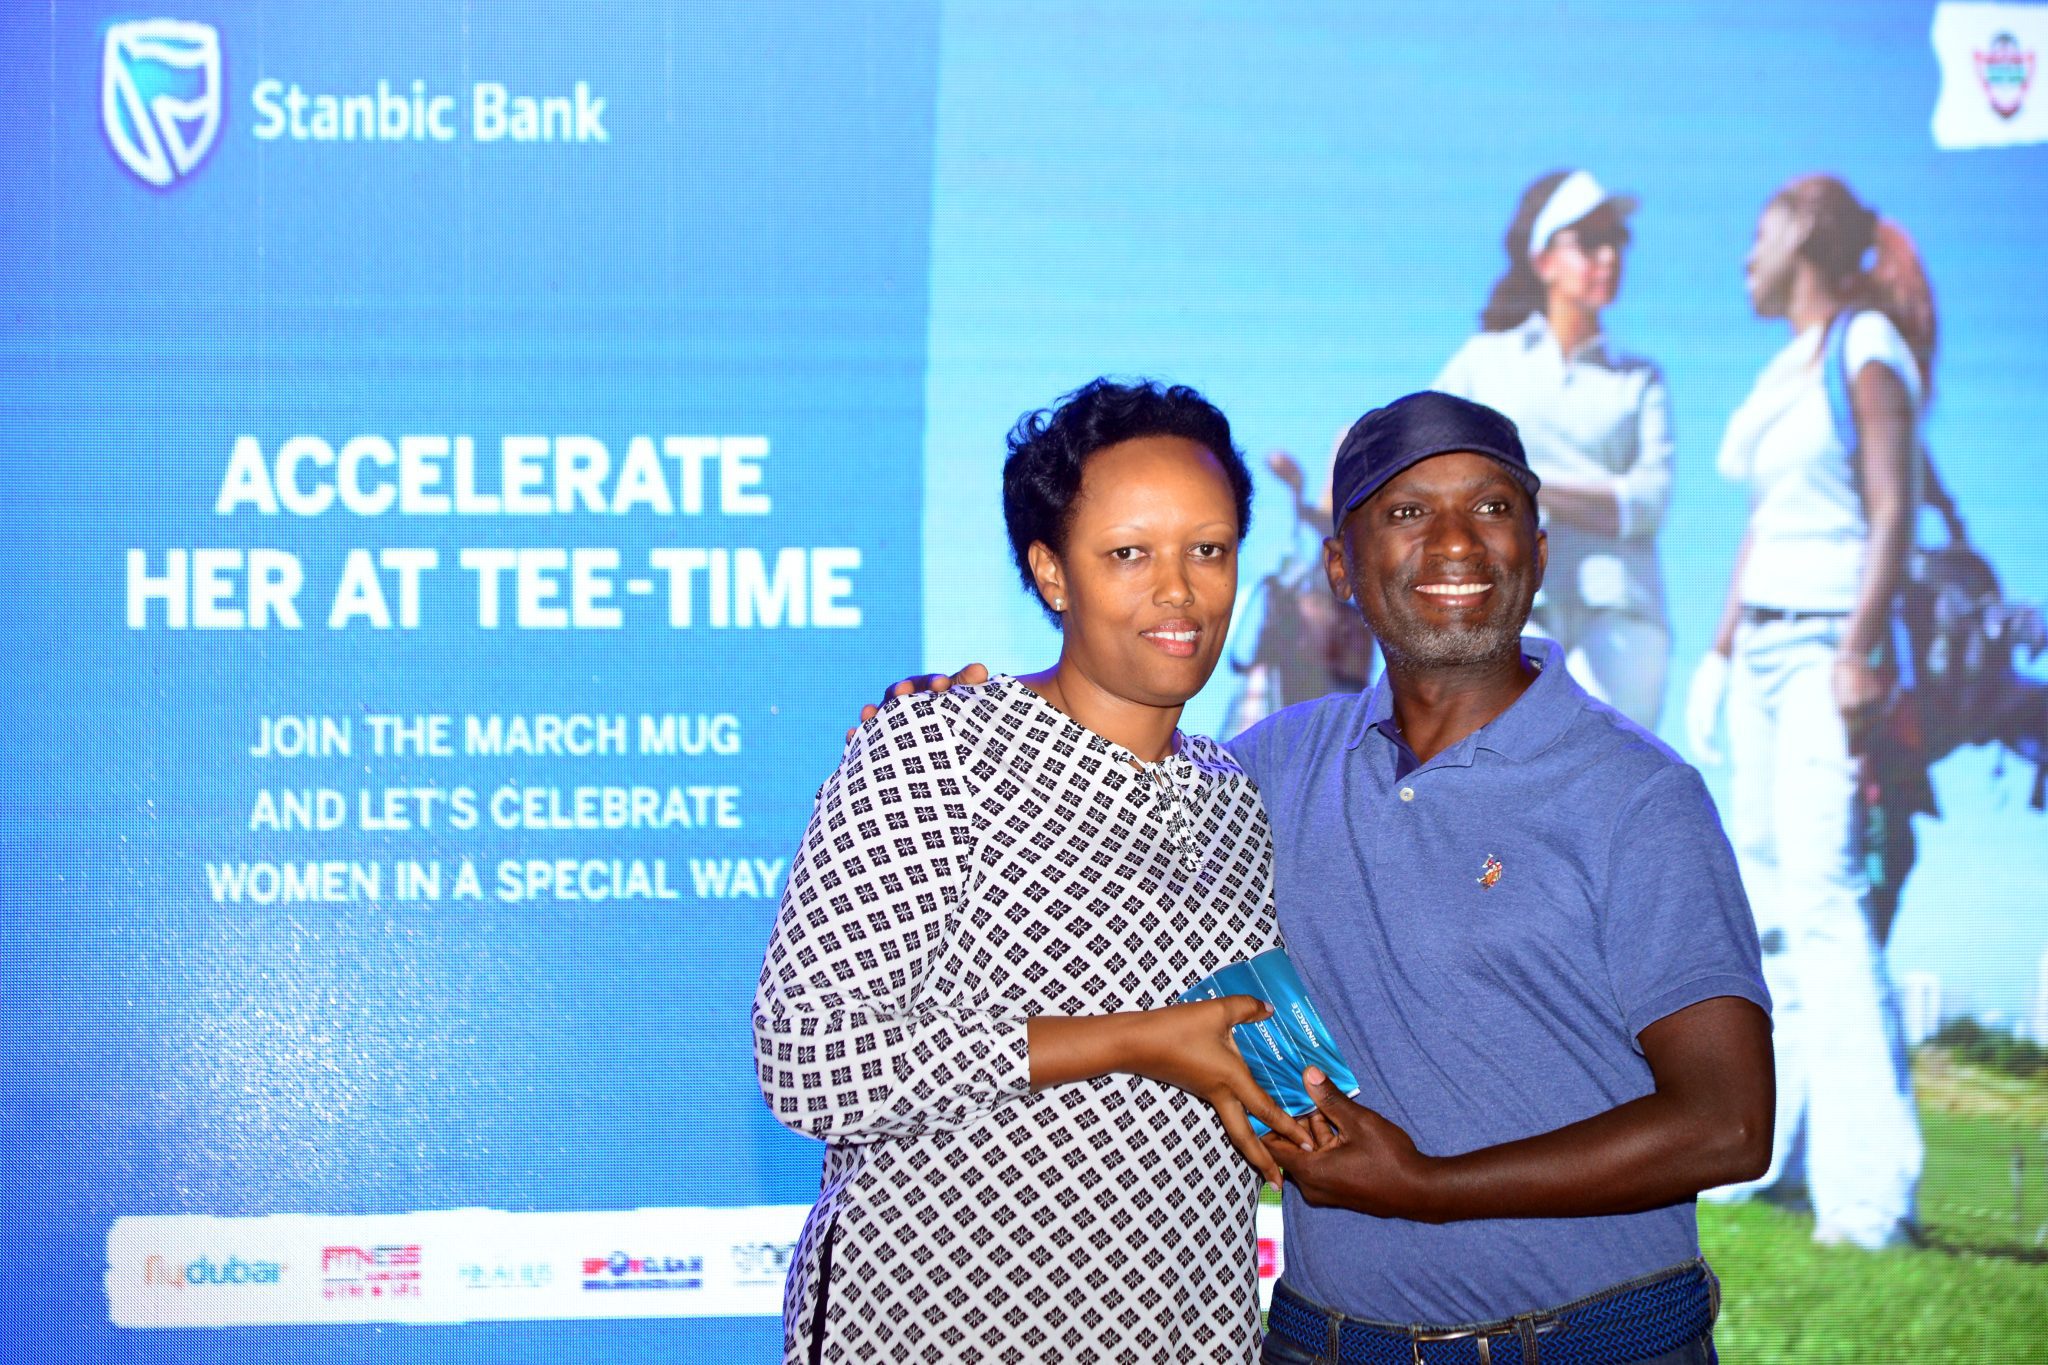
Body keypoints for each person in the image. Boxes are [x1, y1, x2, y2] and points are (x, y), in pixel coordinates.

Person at [875, 390, 1774, 1364]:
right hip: (1319, 1343)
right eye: (1407, 511)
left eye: (1491, 507)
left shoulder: (1636, 795)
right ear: (1340, 565)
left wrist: (1429, 1187)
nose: (1456, 542)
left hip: (1589, 1346)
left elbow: (1726, 1124)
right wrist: (957, 717)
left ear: (1539, 550)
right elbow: (1103, 783)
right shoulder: (1266, 770)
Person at [754, 378, 1309, 1364]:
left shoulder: (1237, 797)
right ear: (1052, 573)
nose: (1178, 592)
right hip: (938, 1332)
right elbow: (808, 1059)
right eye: (1128, 553)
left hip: (1188, 1334)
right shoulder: (936, 750)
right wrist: (1128, 1040)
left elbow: (1246, 1069)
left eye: (1208, 550)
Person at [1686, 173, 1933, 1251]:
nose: (1746, 250)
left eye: (1759, 227)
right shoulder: (1780, 368)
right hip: (1760, 654)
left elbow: (1893, 505)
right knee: (1770, 908)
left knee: (1826, 894)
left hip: (1826, 644)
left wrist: (1858, 648)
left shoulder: (1865, 345)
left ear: (1808, 235)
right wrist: (1717, 651)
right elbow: (1762, 525)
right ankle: (1770, 1158)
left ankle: (1871, 1191)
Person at [1433, 170, 1675, 728]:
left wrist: (1524, 486)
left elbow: (1648, 503)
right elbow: (1425, 454)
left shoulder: (1640, 378)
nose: (1609, 256)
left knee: (1607, 774)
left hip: (1620, 613)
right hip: (1510, 607)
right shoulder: (1482, 362)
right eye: (1589, 240)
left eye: (1617, 240)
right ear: (1543, 261)